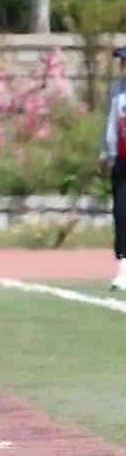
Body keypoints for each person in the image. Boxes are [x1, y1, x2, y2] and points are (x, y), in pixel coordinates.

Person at [99, 46, 126, 291]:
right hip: (122, 161)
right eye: (122, 62)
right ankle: (124, 267)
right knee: (121, 213)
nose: (123, 67)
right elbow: (111, 125)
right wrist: (105, 154)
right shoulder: (117, 90)